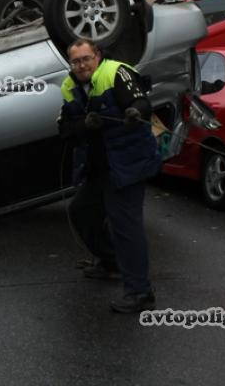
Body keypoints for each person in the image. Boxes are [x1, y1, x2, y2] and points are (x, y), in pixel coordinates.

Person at [58, 38, 161, 314]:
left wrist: (133, 112)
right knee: (80, 212)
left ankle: (140, 293)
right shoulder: (69, 87)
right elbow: (65, 129)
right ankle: (110, 261)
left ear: (97, 56)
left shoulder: (116, 72)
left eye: (86, 59)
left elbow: (141, 102)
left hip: (128, 164)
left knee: (125, 227)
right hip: (98, 167)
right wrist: (84, 124)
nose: (81, 65)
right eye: (76, 61)